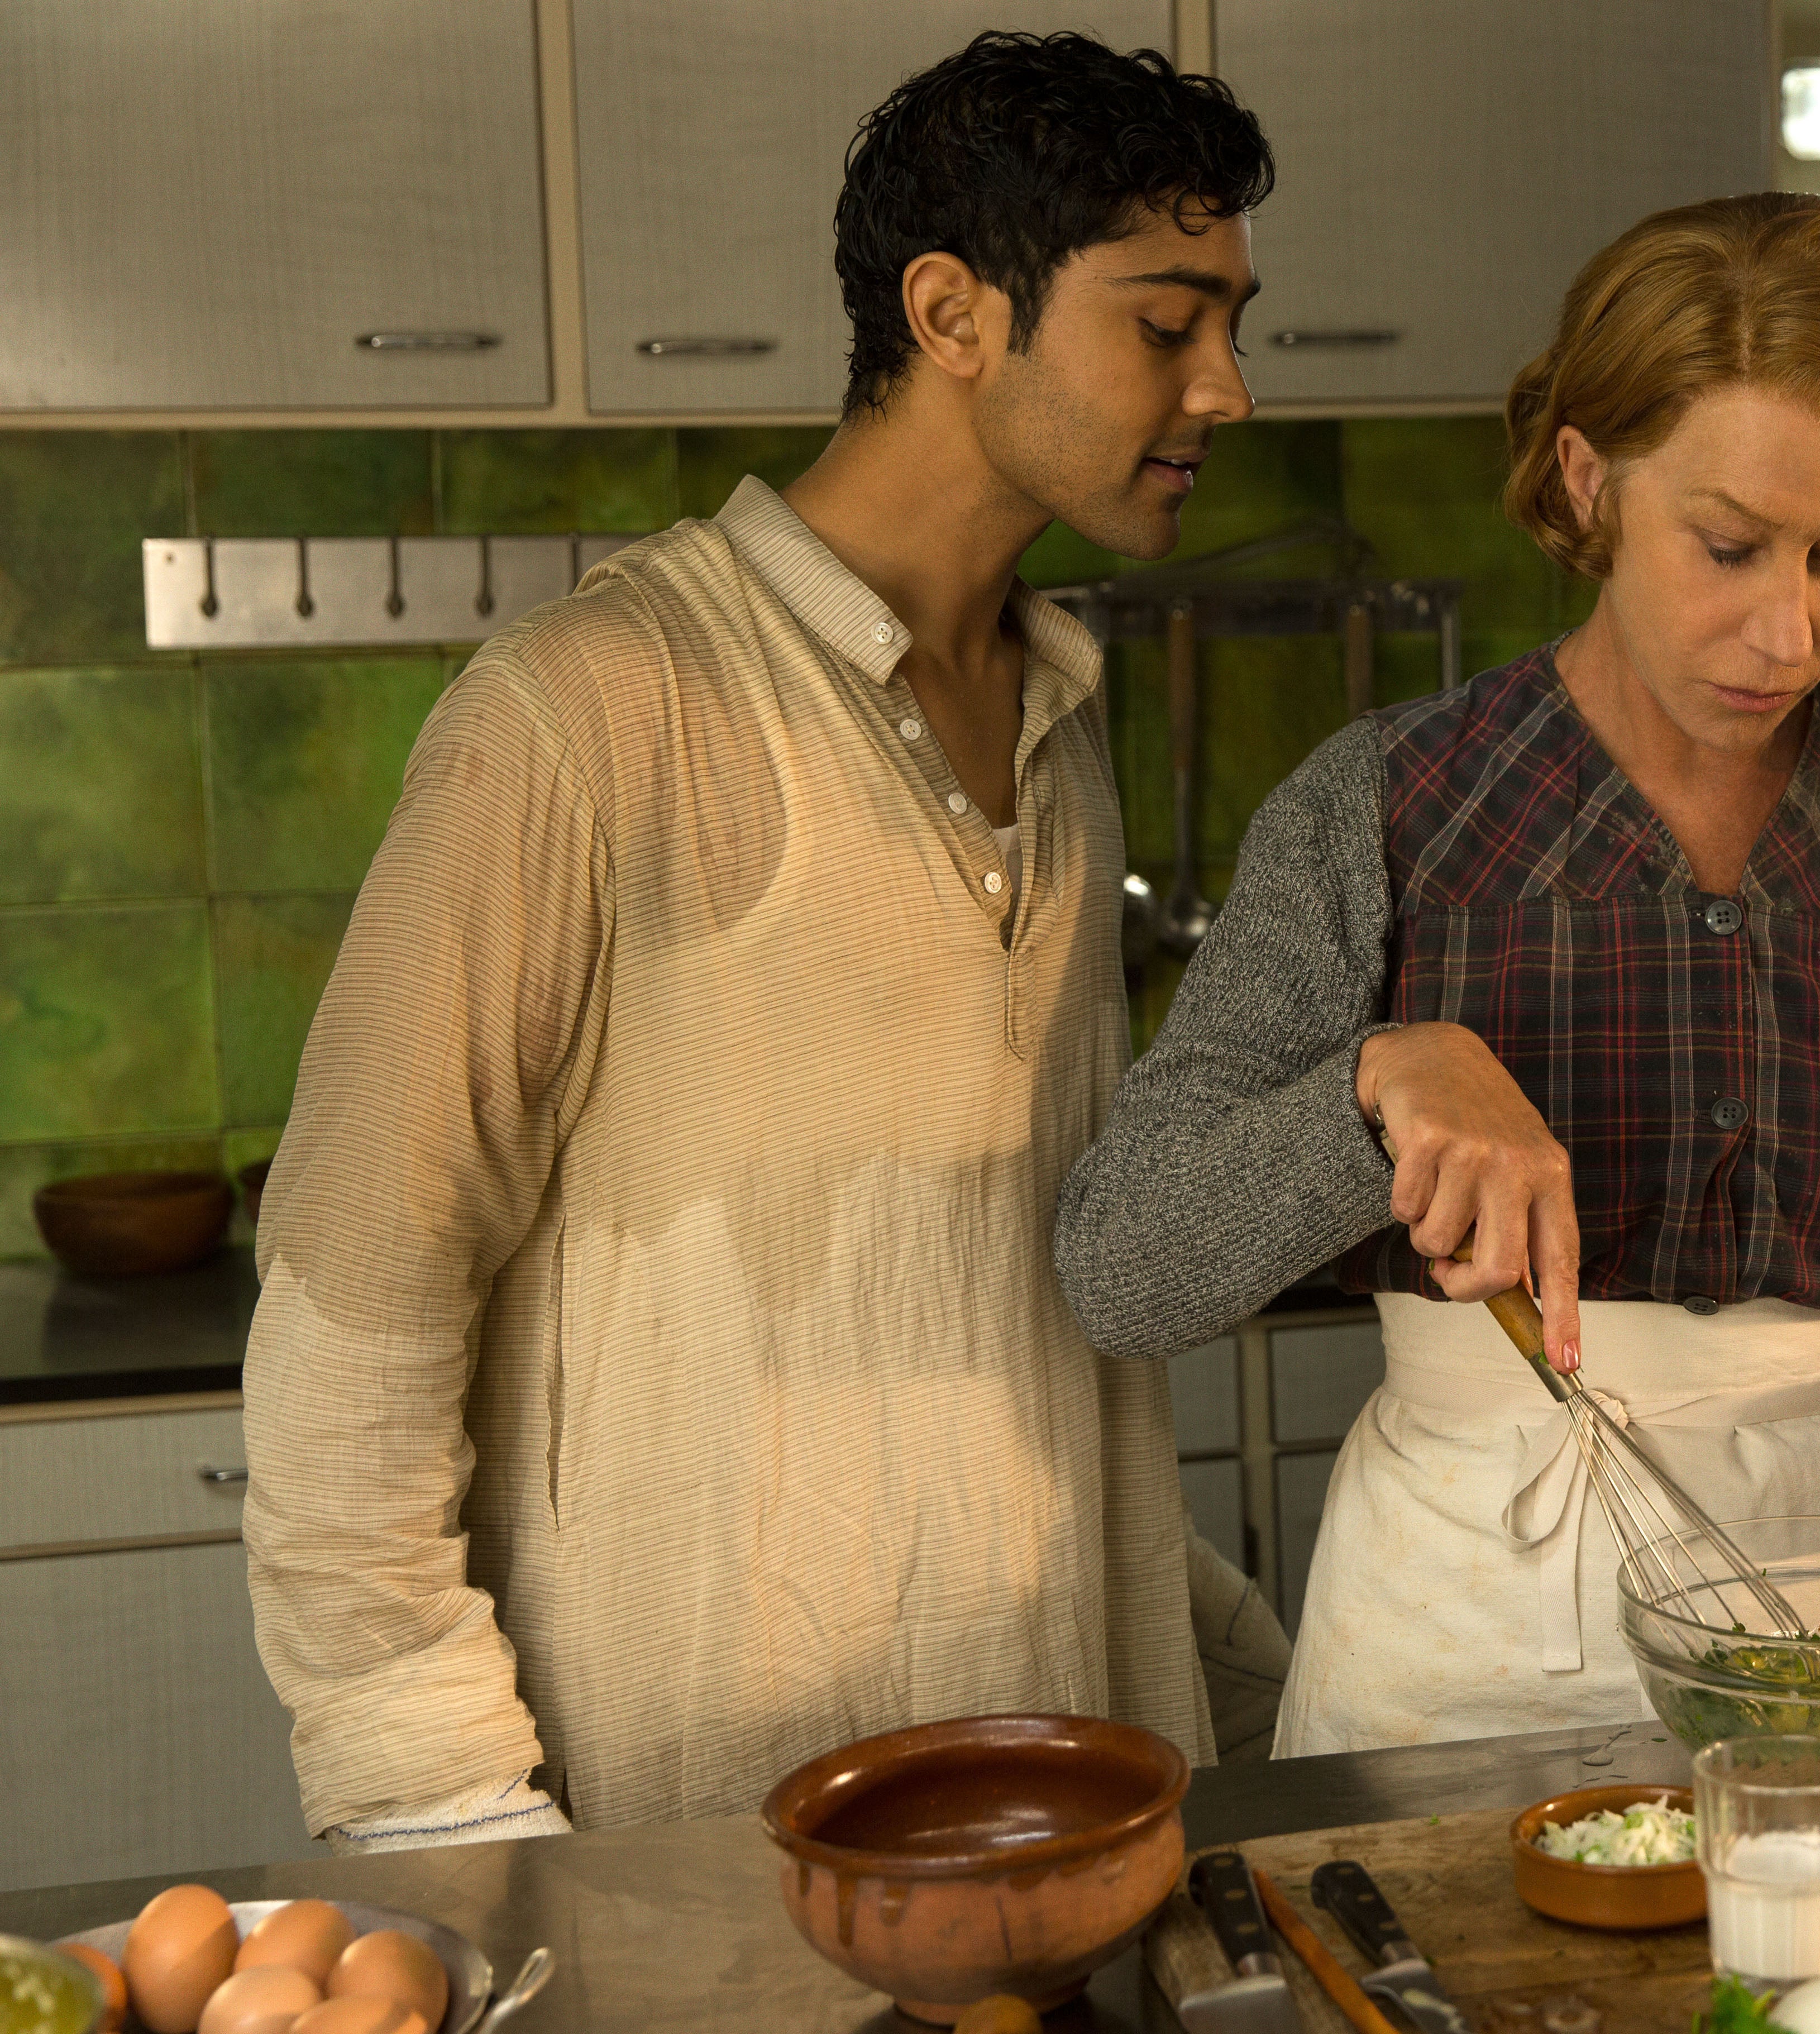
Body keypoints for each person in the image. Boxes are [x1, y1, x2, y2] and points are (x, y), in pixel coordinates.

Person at [241, 32, 1278, 1849]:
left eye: (1234, 323)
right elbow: (352, 1306)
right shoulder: (584, 709)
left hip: (1051, 1806)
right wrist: (450, 1812)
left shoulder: (1065, 714)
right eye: (1169, 322)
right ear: (953, 314)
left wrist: (1223, 1657)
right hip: (690, 1836)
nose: (1229, 387)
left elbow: (994, 1301)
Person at [1055, 193, 1820, 1756]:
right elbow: (1124, 1265)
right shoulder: (1382, 813)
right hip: (1461, 1652)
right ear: (1587, 479)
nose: (1786, 626)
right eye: (1728, 543)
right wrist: (1376, 1088)